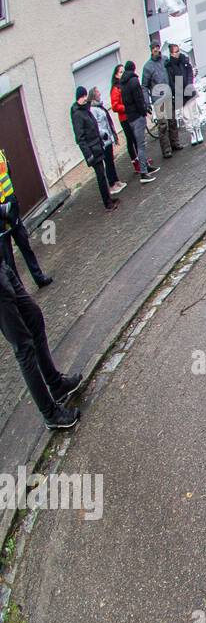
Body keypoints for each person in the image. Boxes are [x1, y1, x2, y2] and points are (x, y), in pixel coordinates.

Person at [0, 258, 81, 429]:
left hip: (2, 268)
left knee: (34, 318)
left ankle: (57, 385)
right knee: (23, 348)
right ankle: (50, 414)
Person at [0, 148, 53, 287]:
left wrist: (13, 203)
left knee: (25, 245)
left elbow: (8, 177)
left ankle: (39, 277)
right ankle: (19, 290)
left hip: (11, 207)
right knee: (8, 258)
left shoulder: (0, 153)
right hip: (0, 214)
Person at [69, 87, 120, 212]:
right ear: (80, 97)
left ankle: (109, 198)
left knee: (103, 175)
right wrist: (88, 154)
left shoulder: (85, 110)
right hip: (92, 150)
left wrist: (101, 137)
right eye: (84, 96)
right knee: (101, 176)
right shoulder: (78, 114)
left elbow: (93, 127)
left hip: (97, 146)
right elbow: (80, 138)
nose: (86, 98)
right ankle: (107, 203)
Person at [111, 64, 157, 181]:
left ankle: (143, 164)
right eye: (120, 72)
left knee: (138, 142)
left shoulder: (124, 84)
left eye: (123, 71)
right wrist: (127, 108)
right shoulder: (116, 88)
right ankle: (140, 166)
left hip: (130, 116)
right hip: (126, 117)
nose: (122, 74)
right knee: (132, 141)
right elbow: (115, 106)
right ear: (116, 75)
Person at [87, 88, 128, 198]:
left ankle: (116, 180)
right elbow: (96, 125)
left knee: (111, 161)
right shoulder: (93, 109)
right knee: (108, 162)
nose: (100, 93)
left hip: (108, 139)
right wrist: (103, 134)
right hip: (103, 141)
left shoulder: (99, 106)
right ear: (93, 95)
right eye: (98, 92)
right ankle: (111, 184)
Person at [140, 43, 175, 157]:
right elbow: (144, 86)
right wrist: (147, 102)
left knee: (172, 120)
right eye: (154, 48)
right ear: (151, 50)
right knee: (163, 124)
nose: (156, 50)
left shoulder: (165, 60)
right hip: (158, 99)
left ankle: (175, 143)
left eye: (158, 47)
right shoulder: (147, 67)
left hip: (169, 95)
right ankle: (166, 150)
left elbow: (172, 74)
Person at [164, 43, 202, 147]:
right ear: (171, 53)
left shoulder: (184, 60)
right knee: (186, 115)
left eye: (178, 51)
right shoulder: (169, 66)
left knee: (194, 111)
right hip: (179, 92)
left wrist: (190, 83)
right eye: (175, 52)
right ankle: (192, 133)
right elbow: (171, 81)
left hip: (189, 88)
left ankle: (198, 130)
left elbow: (190, 72)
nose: (177, 53)